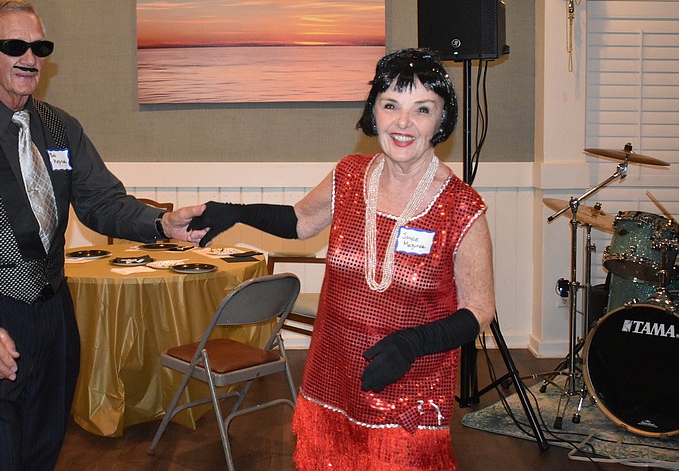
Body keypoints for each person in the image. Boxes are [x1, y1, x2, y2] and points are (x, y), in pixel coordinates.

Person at [0, 0, 207, 471]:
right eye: (14, 45)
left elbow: (102, 202)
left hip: (56, 315)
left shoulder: (60, 127)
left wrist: (158, 224)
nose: (30, 58)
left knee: (45, 448)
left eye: (39, 46)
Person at [188, 48, 496, 470]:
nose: (403, 123)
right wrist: (237, 211)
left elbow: (479, 309)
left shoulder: (462, 206)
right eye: (391, 105)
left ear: (441, 121)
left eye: (422, 109)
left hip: (411, 382)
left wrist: (412, 344)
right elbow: (300, 221)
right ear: (374, 113)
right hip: (334, 372)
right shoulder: (349, 175)